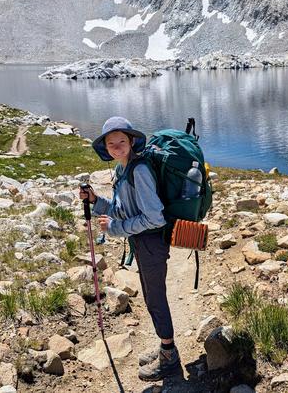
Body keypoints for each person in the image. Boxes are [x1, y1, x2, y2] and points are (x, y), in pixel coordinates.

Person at [78, 116, 181, 382]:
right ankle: (164, 346)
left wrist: (114, 228)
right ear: (106, 148)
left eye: (121, 141)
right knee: (150, 296)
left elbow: (154, 218)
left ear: (132, 141)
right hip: (142, 242)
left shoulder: (139, 171)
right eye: (111, 143)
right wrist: (96, 201)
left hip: (151, 243)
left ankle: (169, 356)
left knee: (156, 298)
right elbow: (124, 210)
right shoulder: (124, 169)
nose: (116, 146)